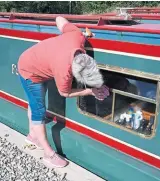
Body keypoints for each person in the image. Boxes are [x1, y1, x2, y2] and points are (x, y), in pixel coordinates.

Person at [17, 16, 109, 168]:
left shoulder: (78, 35)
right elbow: (65, 93)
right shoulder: (64, 70)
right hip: (29, 71)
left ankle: (33, 136)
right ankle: (48, 153)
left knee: (34, 104)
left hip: (36, 60)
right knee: (39, 111)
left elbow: (59, 18)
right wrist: (90, 91)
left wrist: (85, 35)